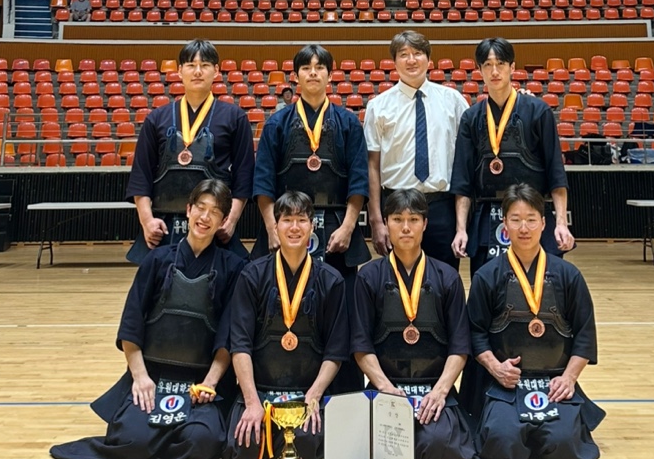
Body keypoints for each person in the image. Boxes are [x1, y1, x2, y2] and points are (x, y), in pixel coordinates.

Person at [49, 179, 244, 459]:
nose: (205, 217)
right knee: (130, 442)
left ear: (223, 220)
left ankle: (153, 443)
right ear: (188, 210)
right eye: (200, 208)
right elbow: (131, 326)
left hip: (199, 385)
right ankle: (147, 442)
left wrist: (210, 383)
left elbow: (229, 336)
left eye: (214, 212)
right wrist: (140, 378)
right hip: (152, 380)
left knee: (200, 445)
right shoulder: (156, 260)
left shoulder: (233, 267)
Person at [464, 184, 604, 459]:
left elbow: (585, 334)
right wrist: (495, 368)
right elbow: (475, 333)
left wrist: (568, 379)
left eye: (530, 219)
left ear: (544, 222)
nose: (523, 228)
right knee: (503, 445)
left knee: (564, 446)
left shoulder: (568, 275)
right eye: (515, 219)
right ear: (504, 224)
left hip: (553, 383)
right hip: (504, 384)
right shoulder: (486, 276)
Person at [351, 189, 475, 459]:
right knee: (374, 450)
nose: (405, 227)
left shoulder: (448, 277)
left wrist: (441, 391)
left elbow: (459, 346)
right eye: (397, 219)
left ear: (425, 224)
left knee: (437, 447)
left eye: (413, 219)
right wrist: (385, 388)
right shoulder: (368, 277)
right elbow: (361, 346)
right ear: (385, 223)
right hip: (386, 390)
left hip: (433, 390)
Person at [224, 190, 349, 459]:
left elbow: (336, 350)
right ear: (275, 226)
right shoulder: (252, 275)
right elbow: (240, 344)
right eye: (287, 220)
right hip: (261, 392)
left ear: (312, 227)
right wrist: (252, 402)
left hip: (306, 393)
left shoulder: (332, 281)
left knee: (307, 444)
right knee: (243, 449)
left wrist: (314, 397)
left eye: (302, 220)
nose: (294, 227)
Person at [126, 39, 254, 264]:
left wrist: (231, 220)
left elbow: (244, 175)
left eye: (204, 65)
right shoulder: (156, 119)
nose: (197, 71)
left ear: (216, 70)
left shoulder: (235, 117)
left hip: (214, 225)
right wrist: (147, 221)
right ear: (179, 70)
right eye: (190, 65)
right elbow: (141, 174)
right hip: (163, 225)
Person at [451, 38, 571, 272]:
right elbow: (462, 181)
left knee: (540, 285)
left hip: (532, 210)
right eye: (487, 65)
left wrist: (561, 223)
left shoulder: (538, 111)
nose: (494, 71)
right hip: (487, 212)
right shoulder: (471, 118)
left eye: (501, 64)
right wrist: (461, 229)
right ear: (479, 70)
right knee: (487, 289)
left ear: (512, 67)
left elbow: (556, 173)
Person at [253, 44, 370, 277]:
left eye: (320, 67)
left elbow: (358, 181)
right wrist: (271, 227)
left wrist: (347, 228)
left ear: (330, 74)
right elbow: (263, 182)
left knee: (339, 302)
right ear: (296, 76)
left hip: (335, 224)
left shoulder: (349, 124)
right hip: (286, 223)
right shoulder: (277, 124)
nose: (313, 73)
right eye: (306, 68)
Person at [364, 31, 466, 268]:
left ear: (428, 60)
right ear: (394, 61)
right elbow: (372, 166)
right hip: (396, 205)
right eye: (404, 55)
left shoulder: (453, 100)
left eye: (417, 53)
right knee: (398, 285)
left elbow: (468, 156)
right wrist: (377, 220)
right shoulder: (378, 106)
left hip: (441, 206)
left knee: (444, 278)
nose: (411, 60)